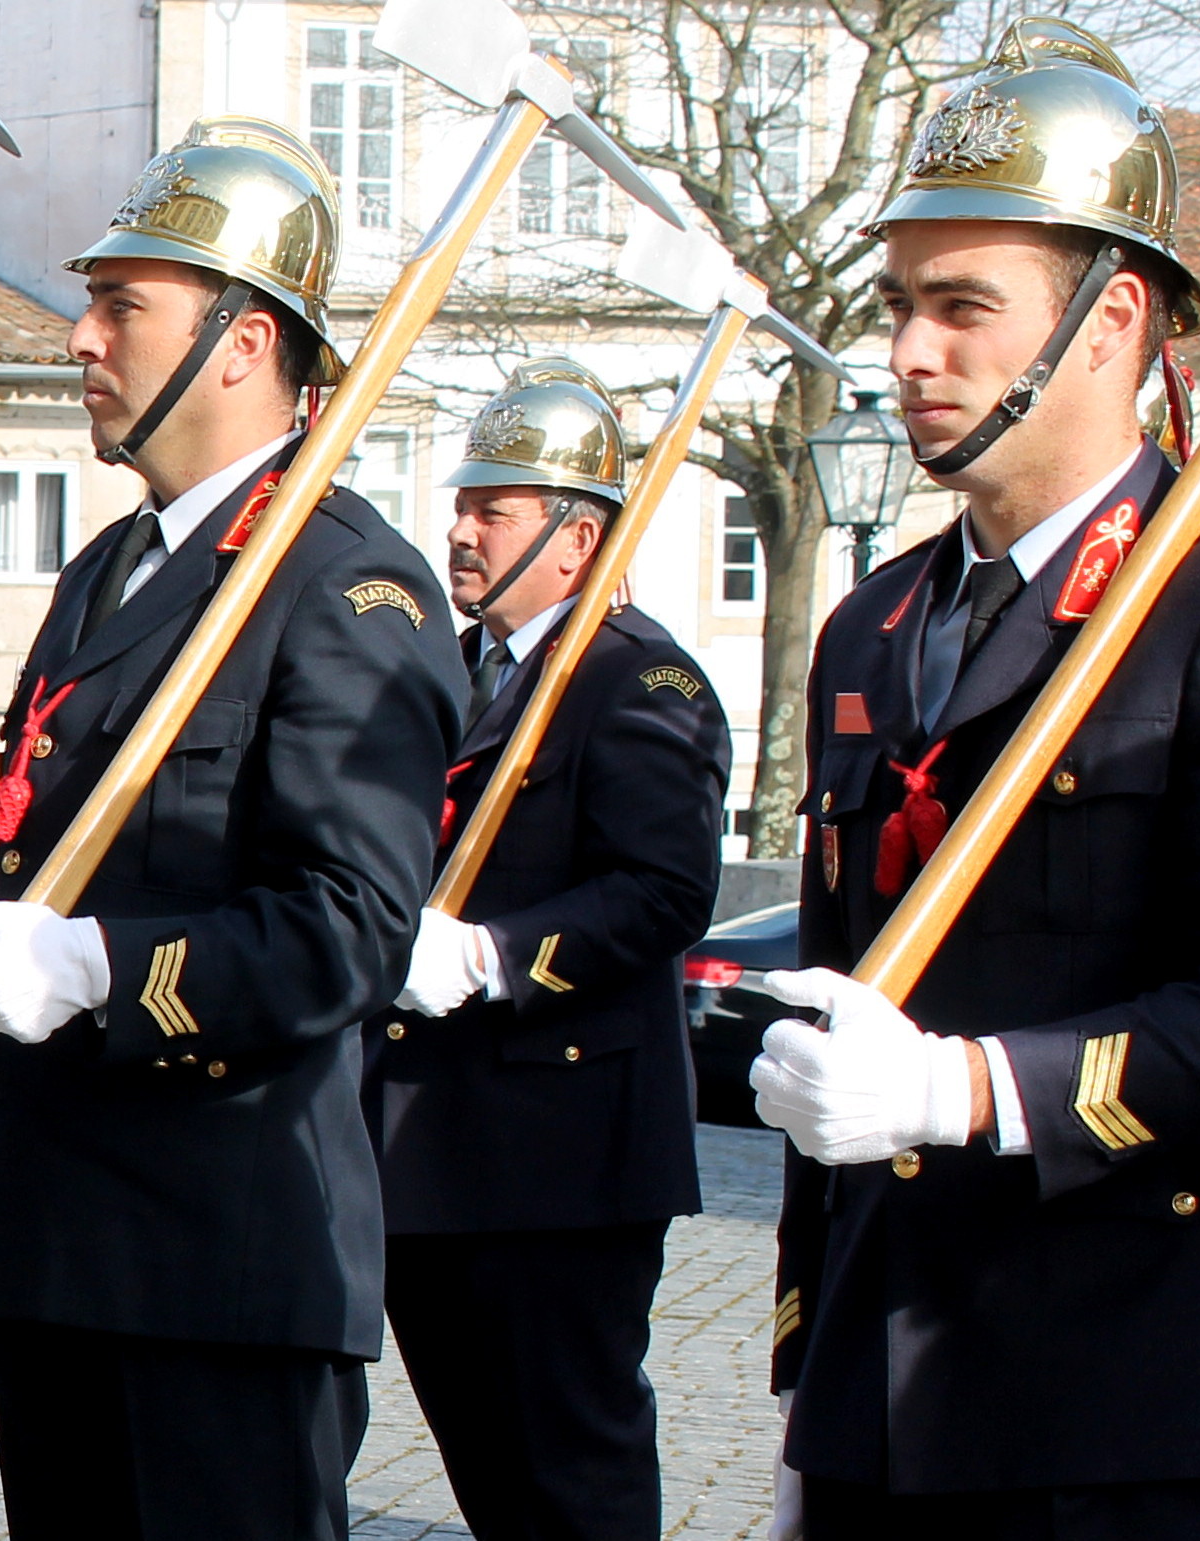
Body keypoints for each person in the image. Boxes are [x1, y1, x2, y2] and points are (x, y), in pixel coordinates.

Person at [746, 22, 1200, 1534]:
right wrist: (817, 1371)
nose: (908, 353)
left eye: (963, 308)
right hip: (893, 1384)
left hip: (1139, 1400)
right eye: (897, 305)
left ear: (1116, 318)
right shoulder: (877, 617)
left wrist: (968, 1087)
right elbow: (838, 993)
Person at [0, 122, 463, 1541]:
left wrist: (101, 968)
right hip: (59, 1223)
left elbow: (350, 926)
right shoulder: (113, 567)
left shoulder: (349, 587)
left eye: (124, 306)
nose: (80, 338)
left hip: (220, 1242)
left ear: (242, 342)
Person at [372, 364, 726, 1541]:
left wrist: (494, 955)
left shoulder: (641, 677)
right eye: (464, 503)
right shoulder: (473, 671)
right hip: (446, 1148)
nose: (462, 530)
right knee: (491, 1465)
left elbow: (666, 890)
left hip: (563, 1151)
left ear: (577, 537)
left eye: (497, 510)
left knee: (570, 1471)